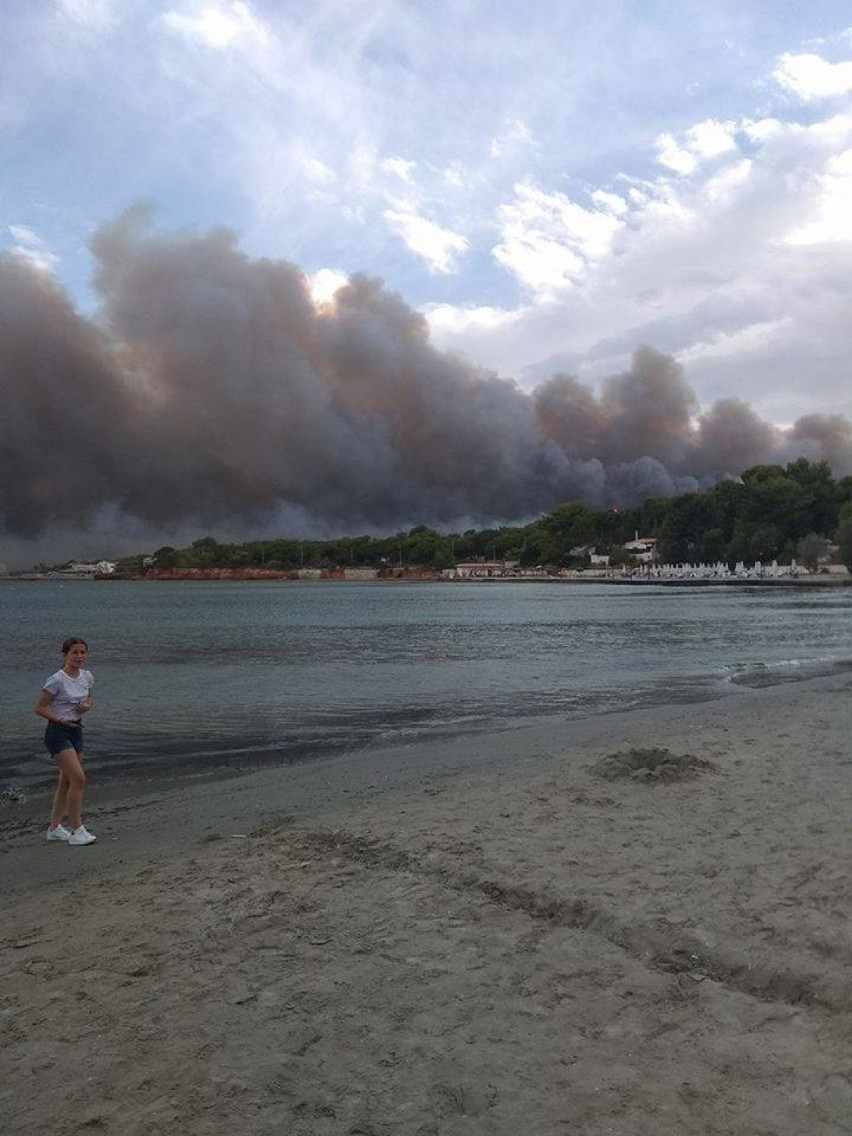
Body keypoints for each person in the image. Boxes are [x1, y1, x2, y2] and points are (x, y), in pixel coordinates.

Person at [35, 637, 97, 846]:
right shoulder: (56, 680)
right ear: (65, 655)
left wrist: (86, 706)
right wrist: (61, 718)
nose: (79, 657)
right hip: (57, 732)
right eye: (75, 653)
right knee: (79, 779)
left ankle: (54, 829)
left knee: (67, 781)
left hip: (76, 730)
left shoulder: (87, 676)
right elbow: (40, 708)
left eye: (82, 652)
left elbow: (88, 698)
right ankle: (77, 829)